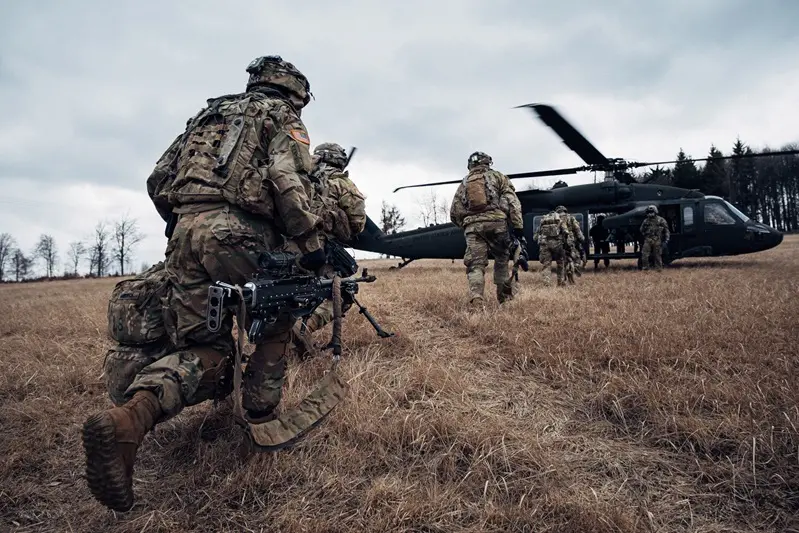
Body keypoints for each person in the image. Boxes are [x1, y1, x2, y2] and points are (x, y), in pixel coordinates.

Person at [82, 55, 326, 513]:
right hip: (240, 232)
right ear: (294, 93)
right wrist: (310, 243)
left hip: (185, 232)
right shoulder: (279, 116)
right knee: (276, 315)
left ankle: (129, 420)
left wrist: (184, 224)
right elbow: (286, 179)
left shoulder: (207, 115)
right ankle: (260, 414)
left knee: (204, 342)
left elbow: (158, 178)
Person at [291, 142, 366, 358]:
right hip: (320, 248)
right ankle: (302, 330)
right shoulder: (341, 183)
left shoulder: (296, 178)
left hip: (285, 248)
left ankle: (283, 342)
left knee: (289, 293)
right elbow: (358, 222)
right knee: (342, 293)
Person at [450, 151, 523, 308]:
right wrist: (518, 227)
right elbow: (513, 203)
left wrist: (467, 225)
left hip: (473, 229)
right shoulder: (498, 177)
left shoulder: (464, 183)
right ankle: (504, 300)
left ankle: (477, 299)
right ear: (487, 163)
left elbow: (454, 212)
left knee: (475, 265)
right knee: (502, 260)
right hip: (497, 225)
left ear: (470, 165)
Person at [533, 209, 570, 287]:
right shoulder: (559, 219)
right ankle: (561, 283)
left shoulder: (543, 220)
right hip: (558, 244)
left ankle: (547, 284)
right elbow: (566, 232)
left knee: (546, 265)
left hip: (545, 244)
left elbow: (536, 236)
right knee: (560, 263)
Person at [555, 205, 585, 281]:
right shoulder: (571, 217)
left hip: (559, 241)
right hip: (570, 240)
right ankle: (574, 267)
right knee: (575, 257)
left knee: (563, 260)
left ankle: (564, 278)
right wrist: (581, 238)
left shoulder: (556, 219)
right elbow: (577, 229)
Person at [639, 205, 670, 271]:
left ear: (655, 212)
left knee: (657, 256)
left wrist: (666, 240)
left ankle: (658, 269)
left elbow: (666, 230)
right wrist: (646, 236)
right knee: (644, 255)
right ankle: (645, 269)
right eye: (649, 212)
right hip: (648, 239)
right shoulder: (646, 221)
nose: (650, 213)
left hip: (657, 240)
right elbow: (641, 230)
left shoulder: (661, 220)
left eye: (651, 212)